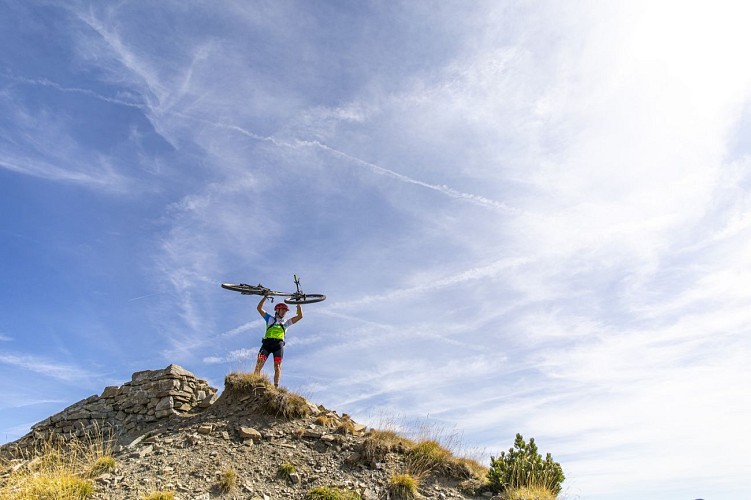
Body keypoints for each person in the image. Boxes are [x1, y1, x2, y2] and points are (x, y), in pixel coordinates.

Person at [253, 294, 303, 387]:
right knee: (259, 364)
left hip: (278, 345)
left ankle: (276, 386)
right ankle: (255, 383)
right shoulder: (270, 319)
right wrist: (265, 297)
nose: (284, 312)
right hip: (267, 344)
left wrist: (298, 303)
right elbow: (259, 308)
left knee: (277, 366)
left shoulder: (286, 322)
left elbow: (300, 316)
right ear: (277, 310)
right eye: (282, 310)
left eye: (285, 311)